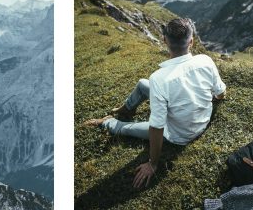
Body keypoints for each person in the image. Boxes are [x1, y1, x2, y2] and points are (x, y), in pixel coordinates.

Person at [84, 17, 227, 188]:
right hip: (200, 120)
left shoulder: (160, 78)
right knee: (143, 84)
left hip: (178, 134)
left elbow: (157, 127)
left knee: (124, 128)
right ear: (192, 41)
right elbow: (221, 92)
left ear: (164, 40)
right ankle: (126, 108)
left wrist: (153, 163)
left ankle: (107, 122)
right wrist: (215, 99)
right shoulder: (205, 60)